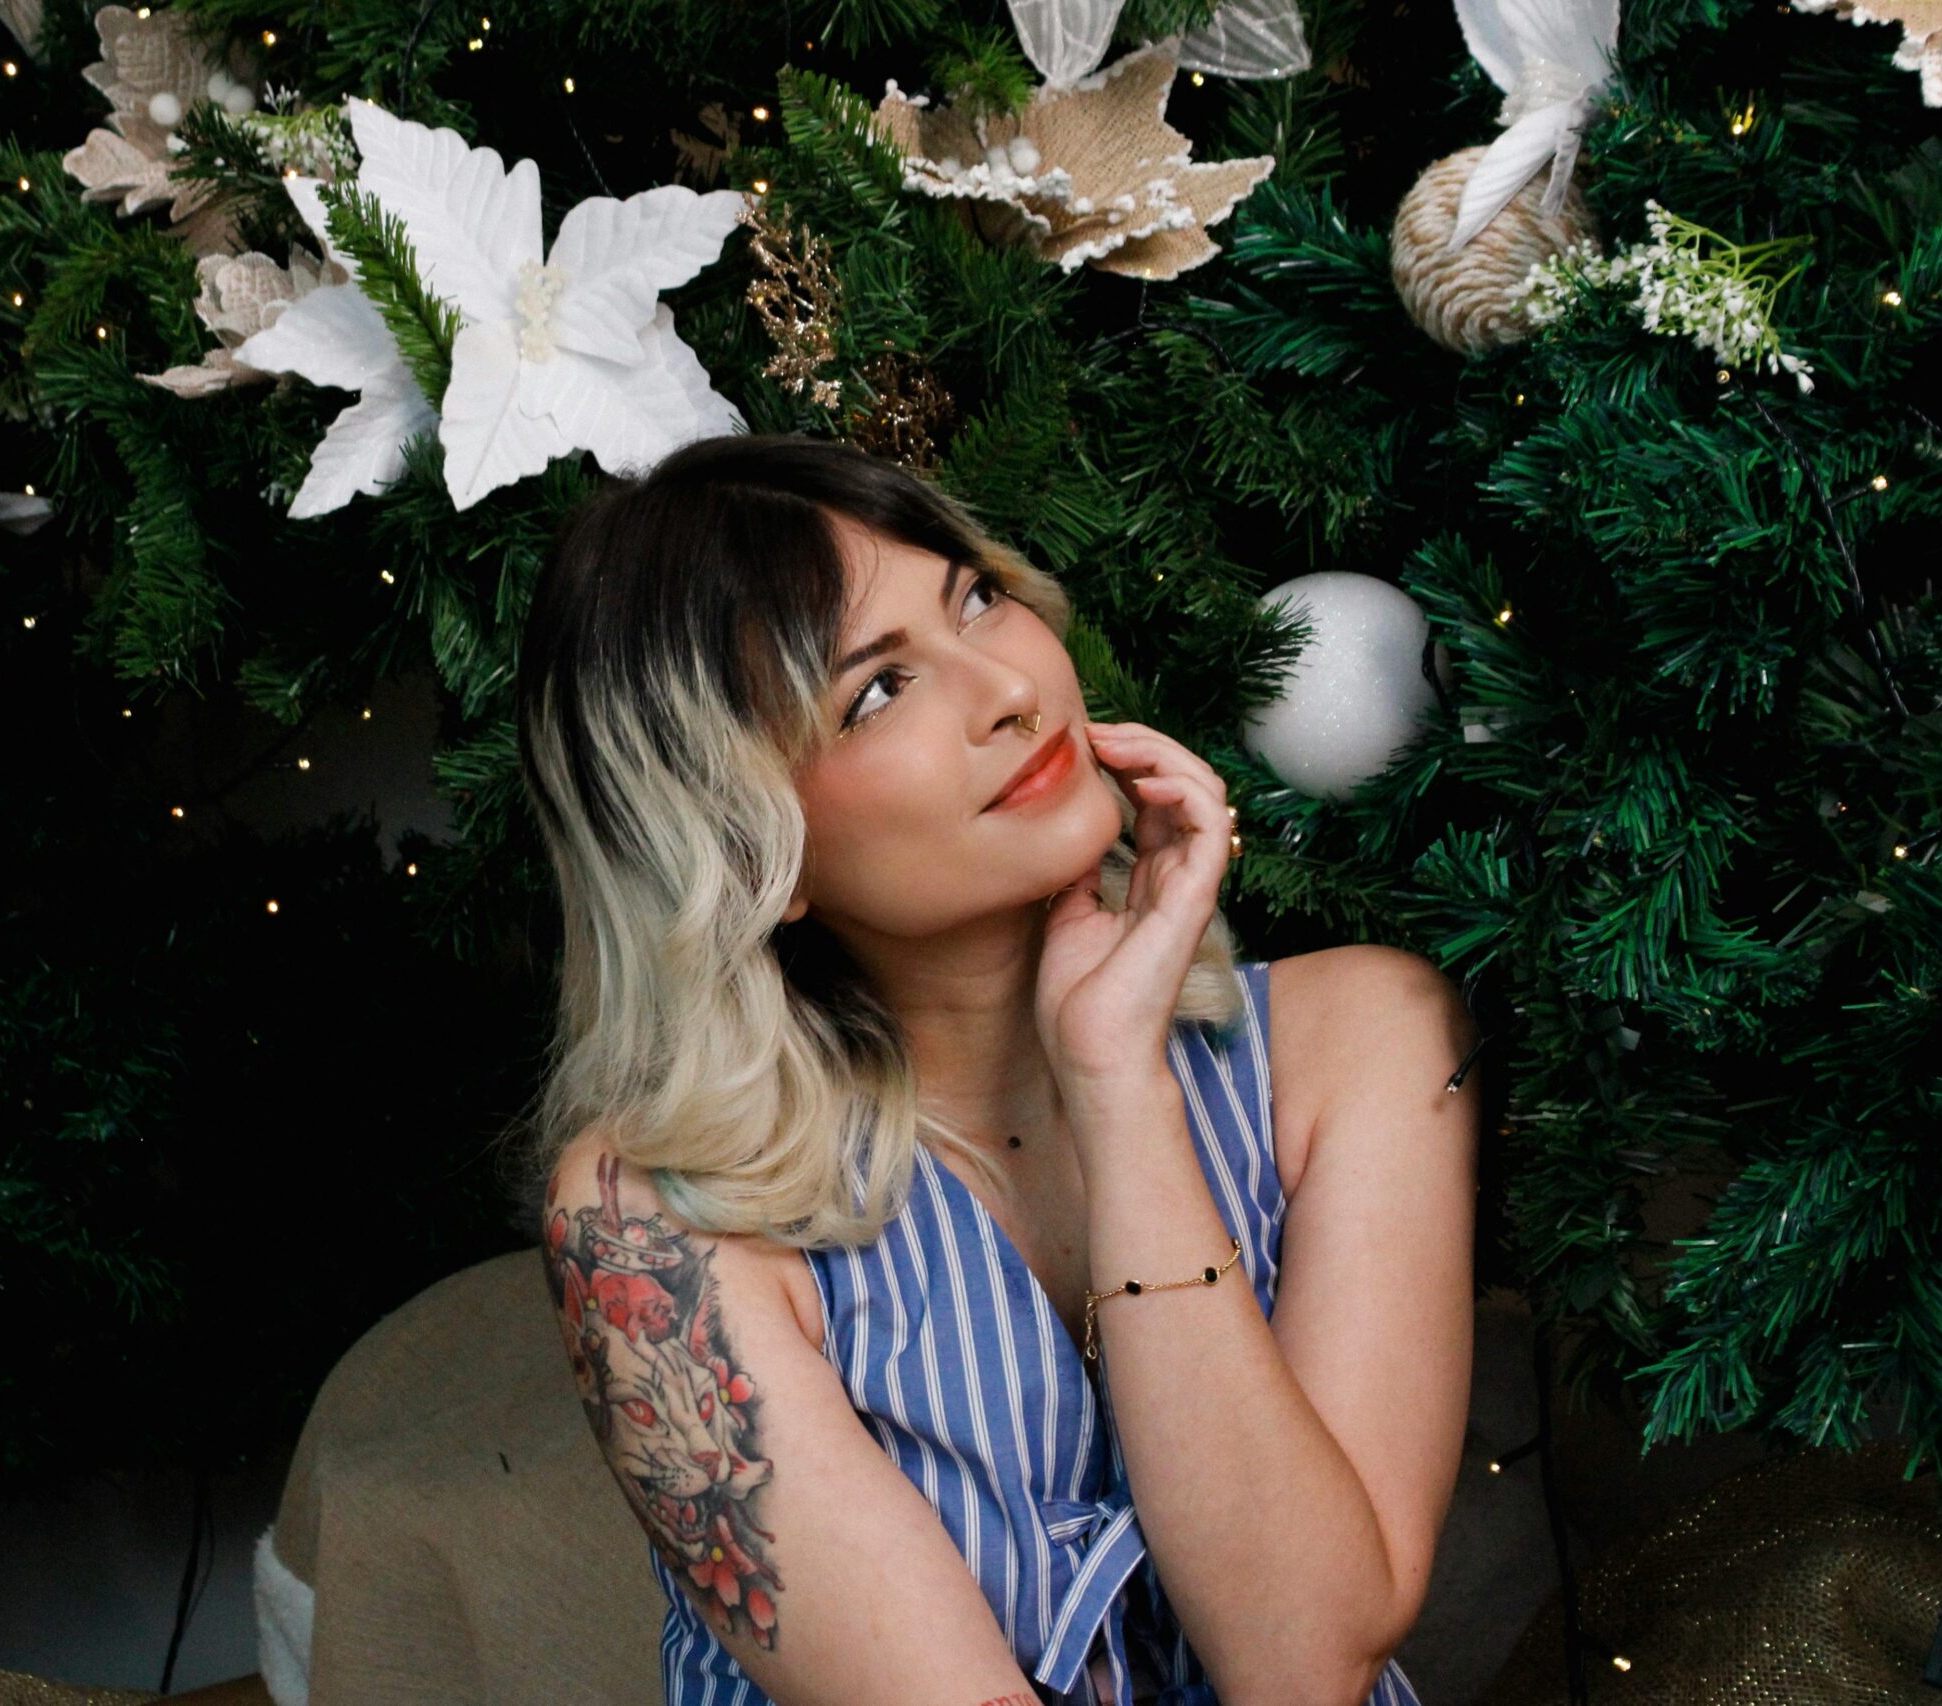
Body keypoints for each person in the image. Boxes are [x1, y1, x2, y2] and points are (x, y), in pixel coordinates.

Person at [510, 432, 1478, 1705]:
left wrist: (1118, 1081)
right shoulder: (648, 1222)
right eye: (876, 690)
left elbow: (1302, 1654)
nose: (1009, 690)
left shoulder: (1365, 1035)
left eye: (976, 599)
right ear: (749, 851)